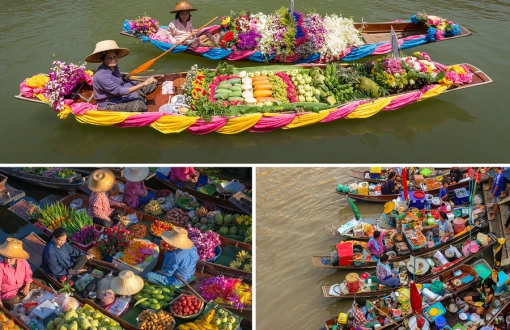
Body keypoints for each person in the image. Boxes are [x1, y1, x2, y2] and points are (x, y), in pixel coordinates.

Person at [85, 40, 158, 112]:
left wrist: (123, 75)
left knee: (153, 82)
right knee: (140, 105)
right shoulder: (101, 76)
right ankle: (140, 96)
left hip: (123, 88)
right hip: (111, 101)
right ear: (103, 60)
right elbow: (120, 91)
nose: (113, 60)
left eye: (115, 57)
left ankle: (140, 95)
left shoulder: (114, 66)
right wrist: (144, 83)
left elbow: (117, 78)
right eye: (109, 58)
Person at [0, 239, 33, 309]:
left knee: (41, 283)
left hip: (21, 287)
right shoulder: (1, 267)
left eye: (10, 258)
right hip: (8, 293)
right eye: (6, 258)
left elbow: (28, 273)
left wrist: (27, 287)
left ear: (16, 257)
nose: (8, 261)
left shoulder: (22, 262)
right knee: (14, 303)